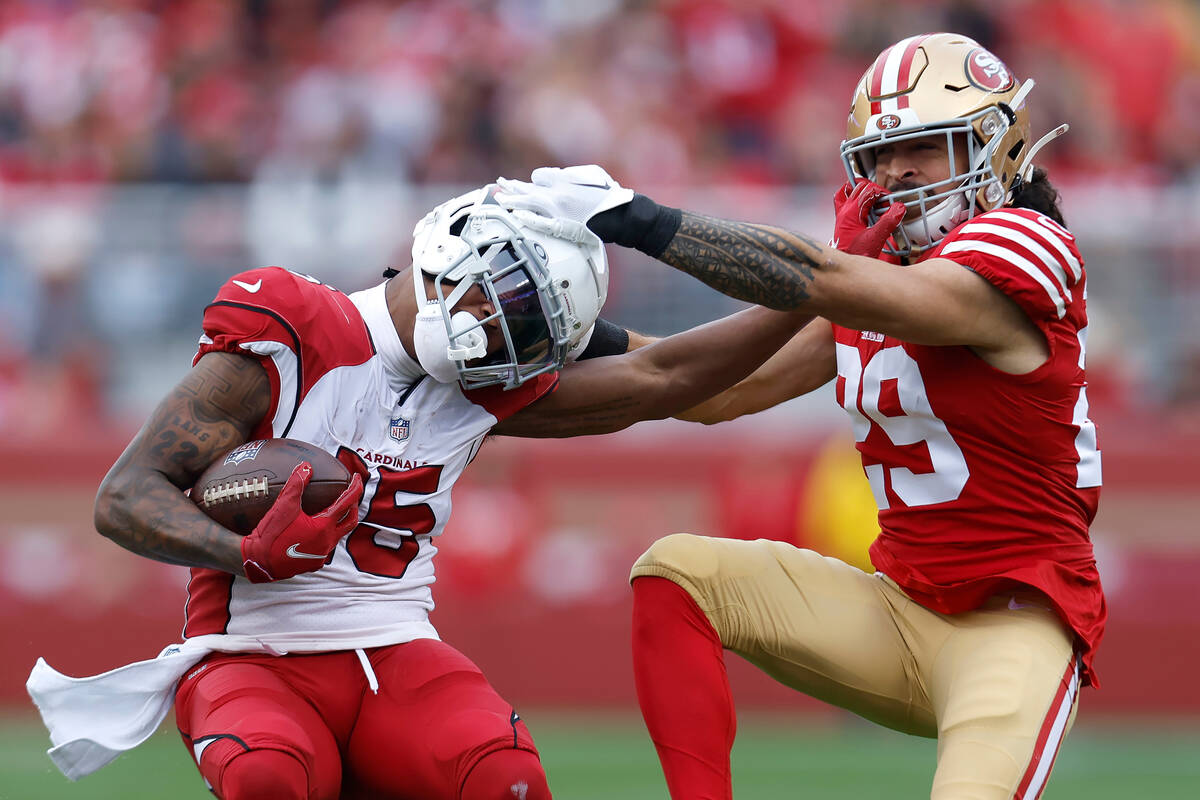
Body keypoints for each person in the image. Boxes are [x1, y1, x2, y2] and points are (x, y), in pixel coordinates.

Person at [27, 186, 811, 799]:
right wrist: (244, 552)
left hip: (395, 643)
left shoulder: (486, 384)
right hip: (251, 650)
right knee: (270, 777)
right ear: (449, 253)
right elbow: (124, 496)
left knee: (508, 778)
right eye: (503, 306)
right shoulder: (296, 332)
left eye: (529, 333)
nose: (501, 339)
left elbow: (673, 378)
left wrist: (826, 291)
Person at [496, 32, 1104, 800]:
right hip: (897, 611)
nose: (895, 173)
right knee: (677, 572)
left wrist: (634, 218)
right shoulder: (874, 281)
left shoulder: (1027, 242)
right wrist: (569, 331)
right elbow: (712, 387)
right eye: (881, 155)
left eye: (923, 147)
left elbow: (816, 277)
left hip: (1015, 632)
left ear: (994, 147)